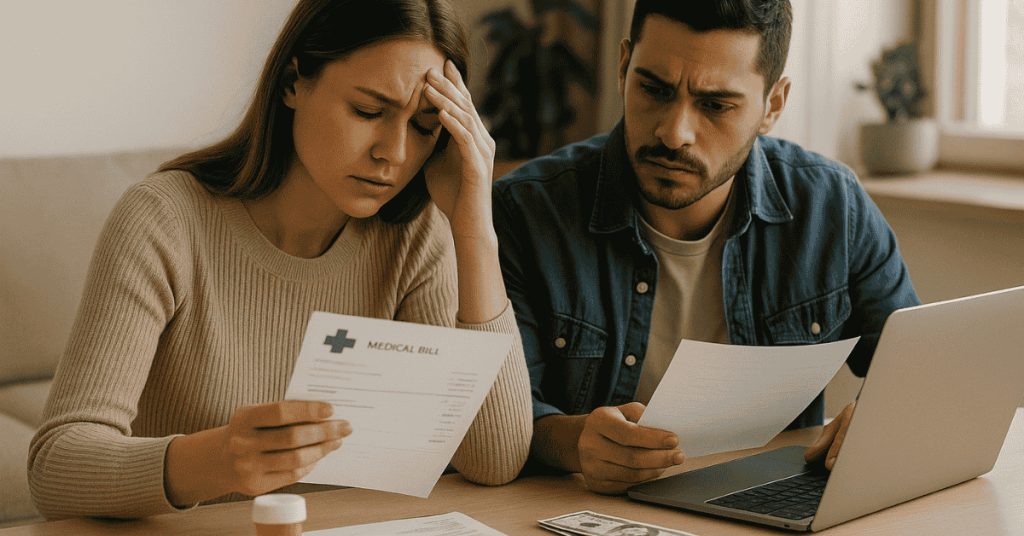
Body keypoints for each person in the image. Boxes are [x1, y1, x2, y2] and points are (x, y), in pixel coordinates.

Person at [29, 0, 532, 520]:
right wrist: (216, 461)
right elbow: (55, 467)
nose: (395, 153)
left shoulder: (414, 236)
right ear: (293, 82)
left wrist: (474, 229)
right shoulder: (165, 220)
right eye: (368, 111)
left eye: (425, 126)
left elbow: (495, 460)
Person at [492, 0, 919, 494]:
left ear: (772, 106)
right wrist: (573, 444)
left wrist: (877, 418)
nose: (674, 133)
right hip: (583, 510)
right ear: (624, 68)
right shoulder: (524, 212)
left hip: (769, 508)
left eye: (715, 105)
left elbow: (917, 371)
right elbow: (501, 416)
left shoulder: (832, 208)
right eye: (654, 89)